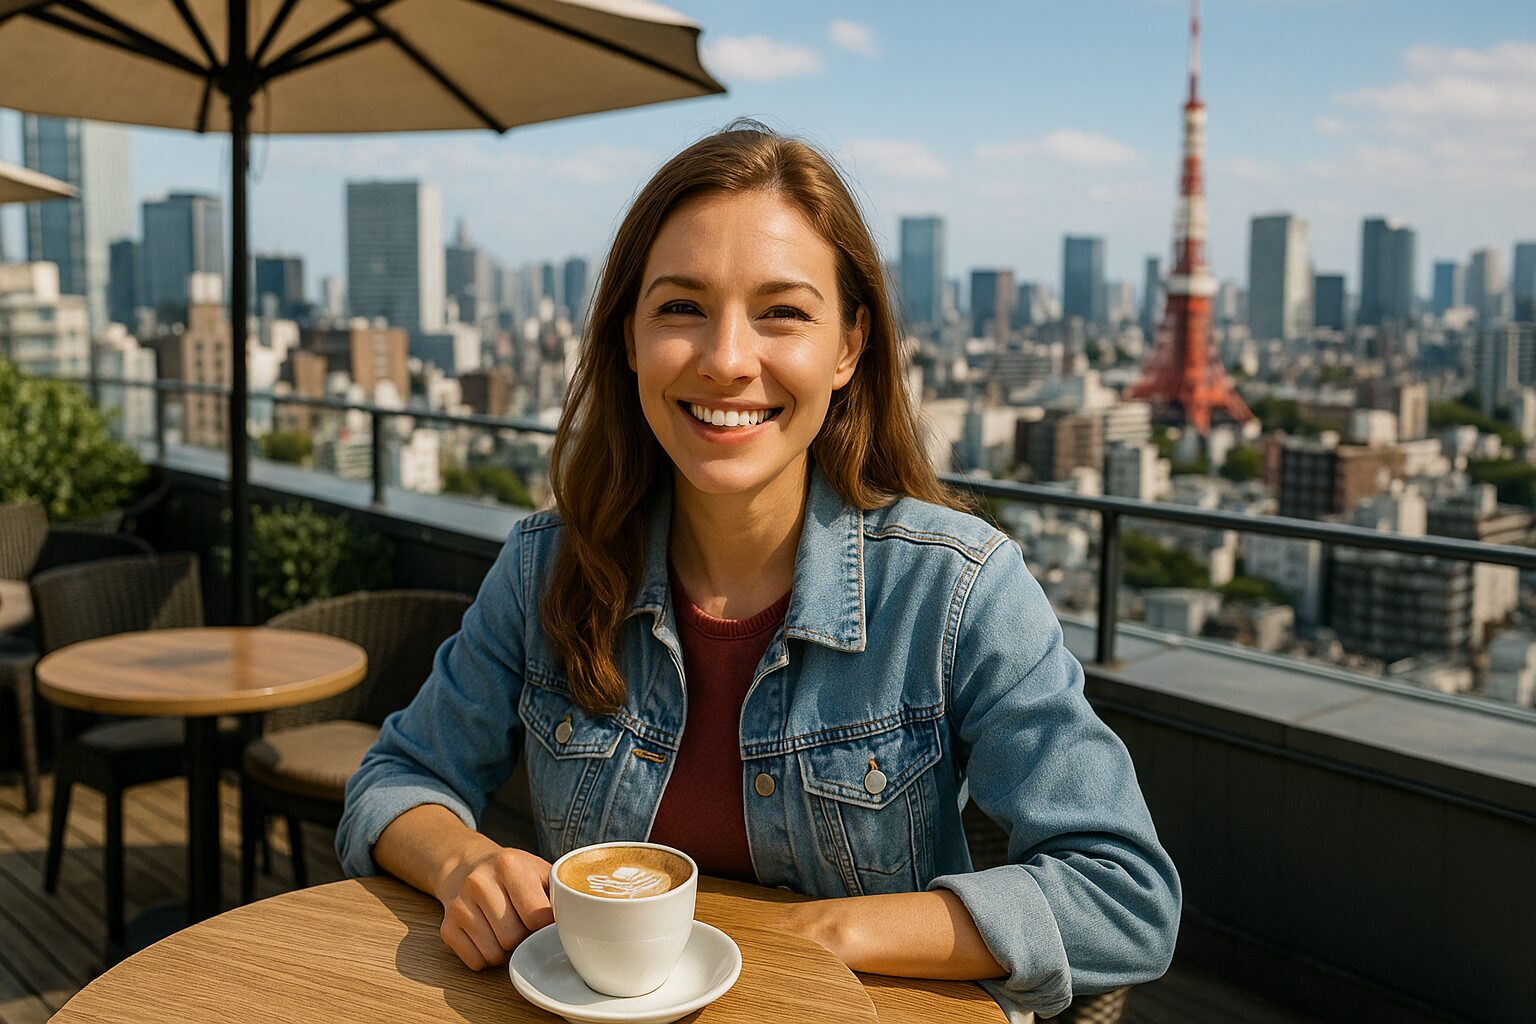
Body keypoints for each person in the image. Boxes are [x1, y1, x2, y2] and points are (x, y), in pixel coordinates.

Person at [336, 122, 1180, 1020]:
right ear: (628, 339)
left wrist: (824, 933)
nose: (727, 360)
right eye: (680, 308)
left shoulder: (956, 590)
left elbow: (1125, 895)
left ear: (849, 346)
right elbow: (394, 779)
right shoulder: (548, 567)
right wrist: (463, 864)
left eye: (782, 312)